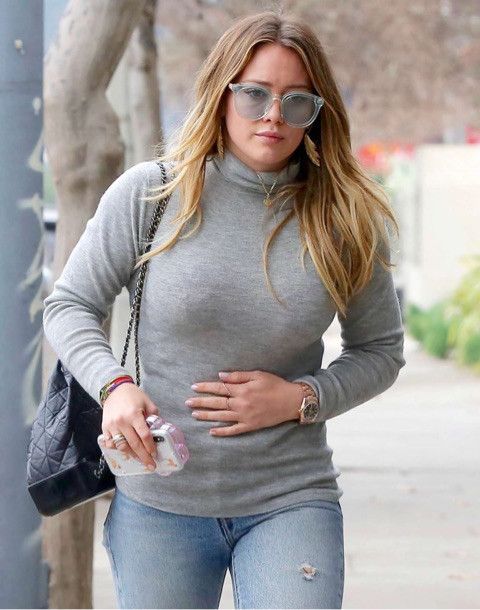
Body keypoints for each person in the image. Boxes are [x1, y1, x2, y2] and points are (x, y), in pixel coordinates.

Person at [42, 9, 406, 609]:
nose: (273, 115)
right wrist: (114, 387)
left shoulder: (345, 218)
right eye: (254, 93)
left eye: (296, 101)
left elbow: (381, 351)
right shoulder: (151, 194)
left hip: (290, 496)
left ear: (317, 112)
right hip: (160, 501)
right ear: (222, 92)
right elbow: (70, 304)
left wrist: (301, 397)